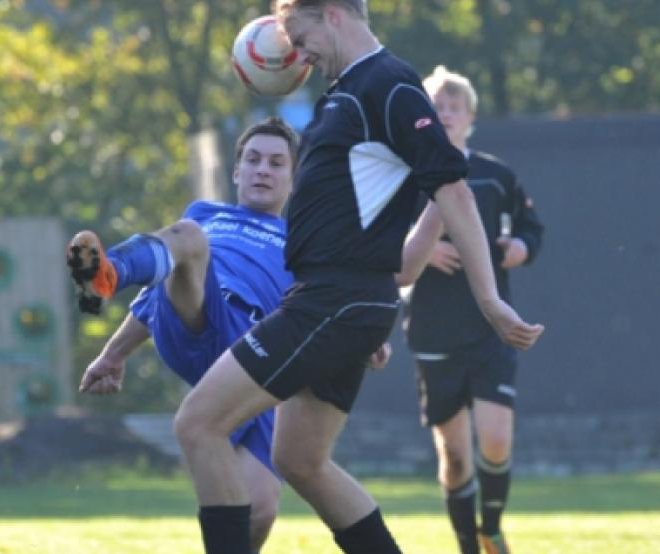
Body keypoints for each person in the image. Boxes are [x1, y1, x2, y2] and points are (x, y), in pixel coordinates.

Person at [170, 2, 545, 552]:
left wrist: (488, 299)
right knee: (299, 460)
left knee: (198, 423)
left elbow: (453, 188)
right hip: (341, 304)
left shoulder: (388, 84)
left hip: (333, 301)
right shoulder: (347, 92)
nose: (298, 54)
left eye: (300, 36)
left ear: (333, 15)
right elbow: (391, 233)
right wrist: (364, 318)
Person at [66, 117, 299, 552]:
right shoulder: (206, 215)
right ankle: (108, 273)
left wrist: (365, 340)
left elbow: (329, 297)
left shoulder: (302, 239)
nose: (262, 169)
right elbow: (155, 298)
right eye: (252, 160)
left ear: (292, 177)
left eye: (275, 162)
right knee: (187, 238)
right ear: (236, 172)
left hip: (258, 359)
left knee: (260, 508)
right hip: (201, 318)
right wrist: (114, 353)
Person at [400, 66, 545, 554]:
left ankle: (493, 528)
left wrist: (518, 247)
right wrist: (423, 251)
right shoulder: (406, 173)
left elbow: (531, 229)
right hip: (434, 331)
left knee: (497, 439)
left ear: (470, 118)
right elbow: (383, 239)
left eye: (454, 106)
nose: (445, 113)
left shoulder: (496, 175)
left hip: (489, 329)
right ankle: (467, 544)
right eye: (437, 105)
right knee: (456, 456)